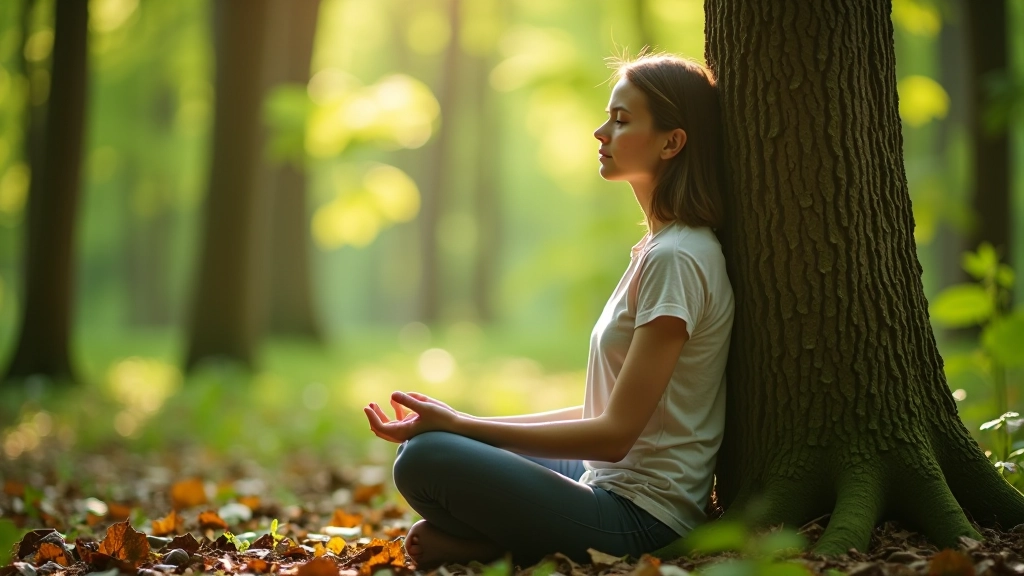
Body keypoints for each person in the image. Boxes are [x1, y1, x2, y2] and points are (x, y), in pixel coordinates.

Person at [363, 52, 734, 569]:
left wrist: (465, 429)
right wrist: (461, 421)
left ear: (672, 142)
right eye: (608, 116)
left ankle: (499, 545)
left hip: (643, 517)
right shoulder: (659, 249)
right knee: (431, 445)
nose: (600, 132)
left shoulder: (679, 258)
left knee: (429, 459)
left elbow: (614, 434)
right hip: (604, 480)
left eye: (622, 121)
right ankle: (501, 541)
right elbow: (601, 410)